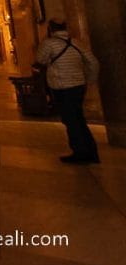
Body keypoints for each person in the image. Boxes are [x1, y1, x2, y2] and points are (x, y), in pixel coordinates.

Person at [34, 19, 100, 164]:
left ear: (51, 29)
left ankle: (80, 153)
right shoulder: (76, 42)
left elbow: (40, 60)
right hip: (79, 85)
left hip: (61, 86)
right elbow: (93, 62)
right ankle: (91, 151)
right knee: (78, 118)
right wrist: (90, 79)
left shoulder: (49, 43)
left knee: (70, 119)